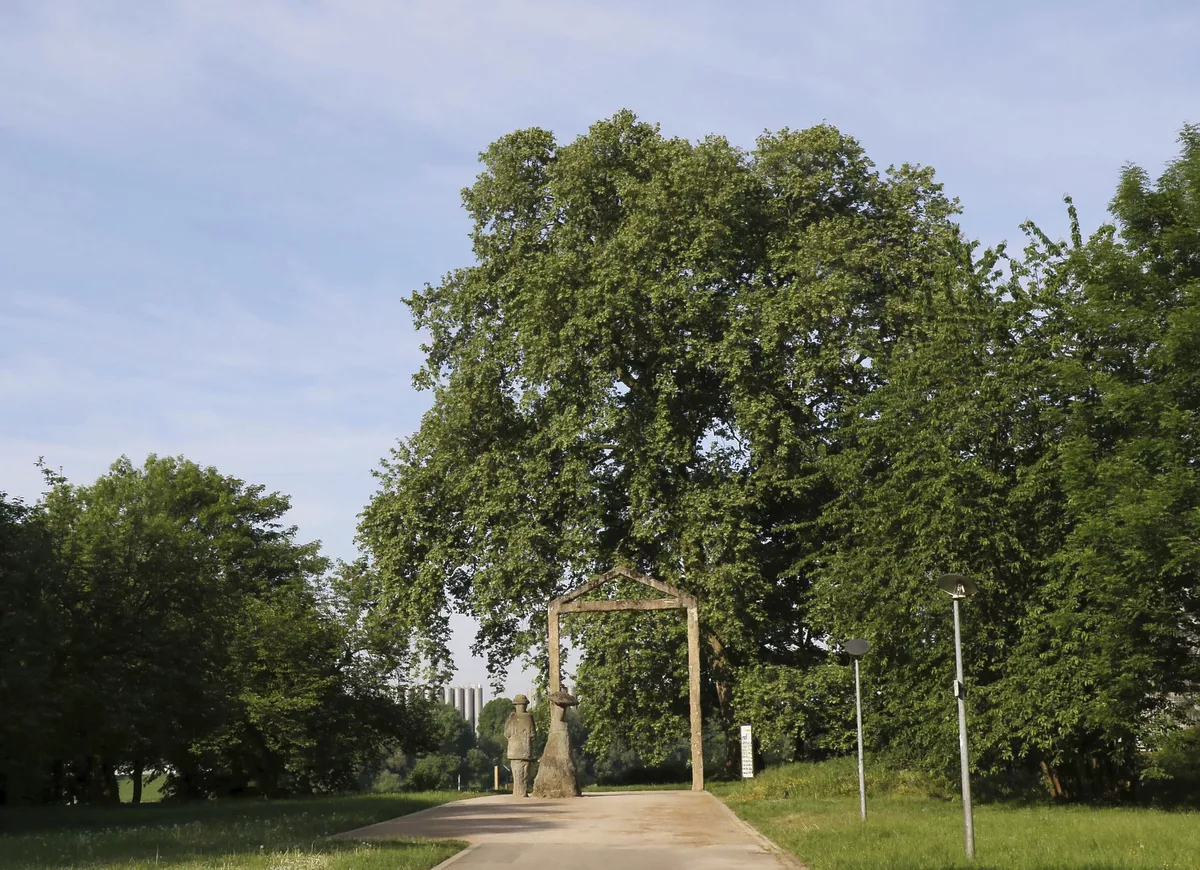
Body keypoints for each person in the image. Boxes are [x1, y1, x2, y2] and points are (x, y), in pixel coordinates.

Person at [503, 694, 536, 797]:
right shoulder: (529, 717)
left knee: (517, 774)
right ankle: (522, 792)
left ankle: (518, 792)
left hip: (514, 751)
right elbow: (533, 735)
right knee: (525, 773)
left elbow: (507, 733)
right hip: (526, 750)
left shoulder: (512, 718)